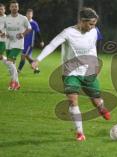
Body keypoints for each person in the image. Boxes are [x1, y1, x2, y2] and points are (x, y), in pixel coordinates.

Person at [32, 8, 110, 141]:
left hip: (88, 71)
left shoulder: (95, 31)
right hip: (70, 72)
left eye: (94, 24)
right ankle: (80, 132)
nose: (92, 27)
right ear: (82, 21)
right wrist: (38, 59)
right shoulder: (68, 32)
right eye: (90, 24)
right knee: (73, 101)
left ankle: (101, 108)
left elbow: (93, 47)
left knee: (96, 101)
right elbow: (52, 45)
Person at [4, 0, 31, 90]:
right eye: (12, 6)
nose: (14, 8)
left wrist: (23, 34)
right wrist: (4, 34)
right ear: (9, 8)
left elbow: (29, 28)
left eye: (16, 6)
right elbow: (3, 29)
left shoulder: (23, 18)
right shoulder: (6, 18)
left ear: (18, 8)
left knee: (9, 62)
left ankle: (14, 82)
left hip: (18, 44)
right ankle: (16, 83)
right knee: (12, 64)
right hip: (8, 44)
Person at [18, 8, 44, 74]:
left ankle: (18, 70)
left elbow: (38, 33)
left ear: (32, 15)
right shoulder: (24, 22)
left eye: (30, 14)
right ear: (26, 15)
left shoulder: (34, 23)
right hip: (23, 43)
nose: (29, 15)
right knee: (27, 57)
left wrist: (41, 41)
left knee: (23, 56)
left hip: (30, 43)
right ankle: (36, 68)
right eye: (28, 14)